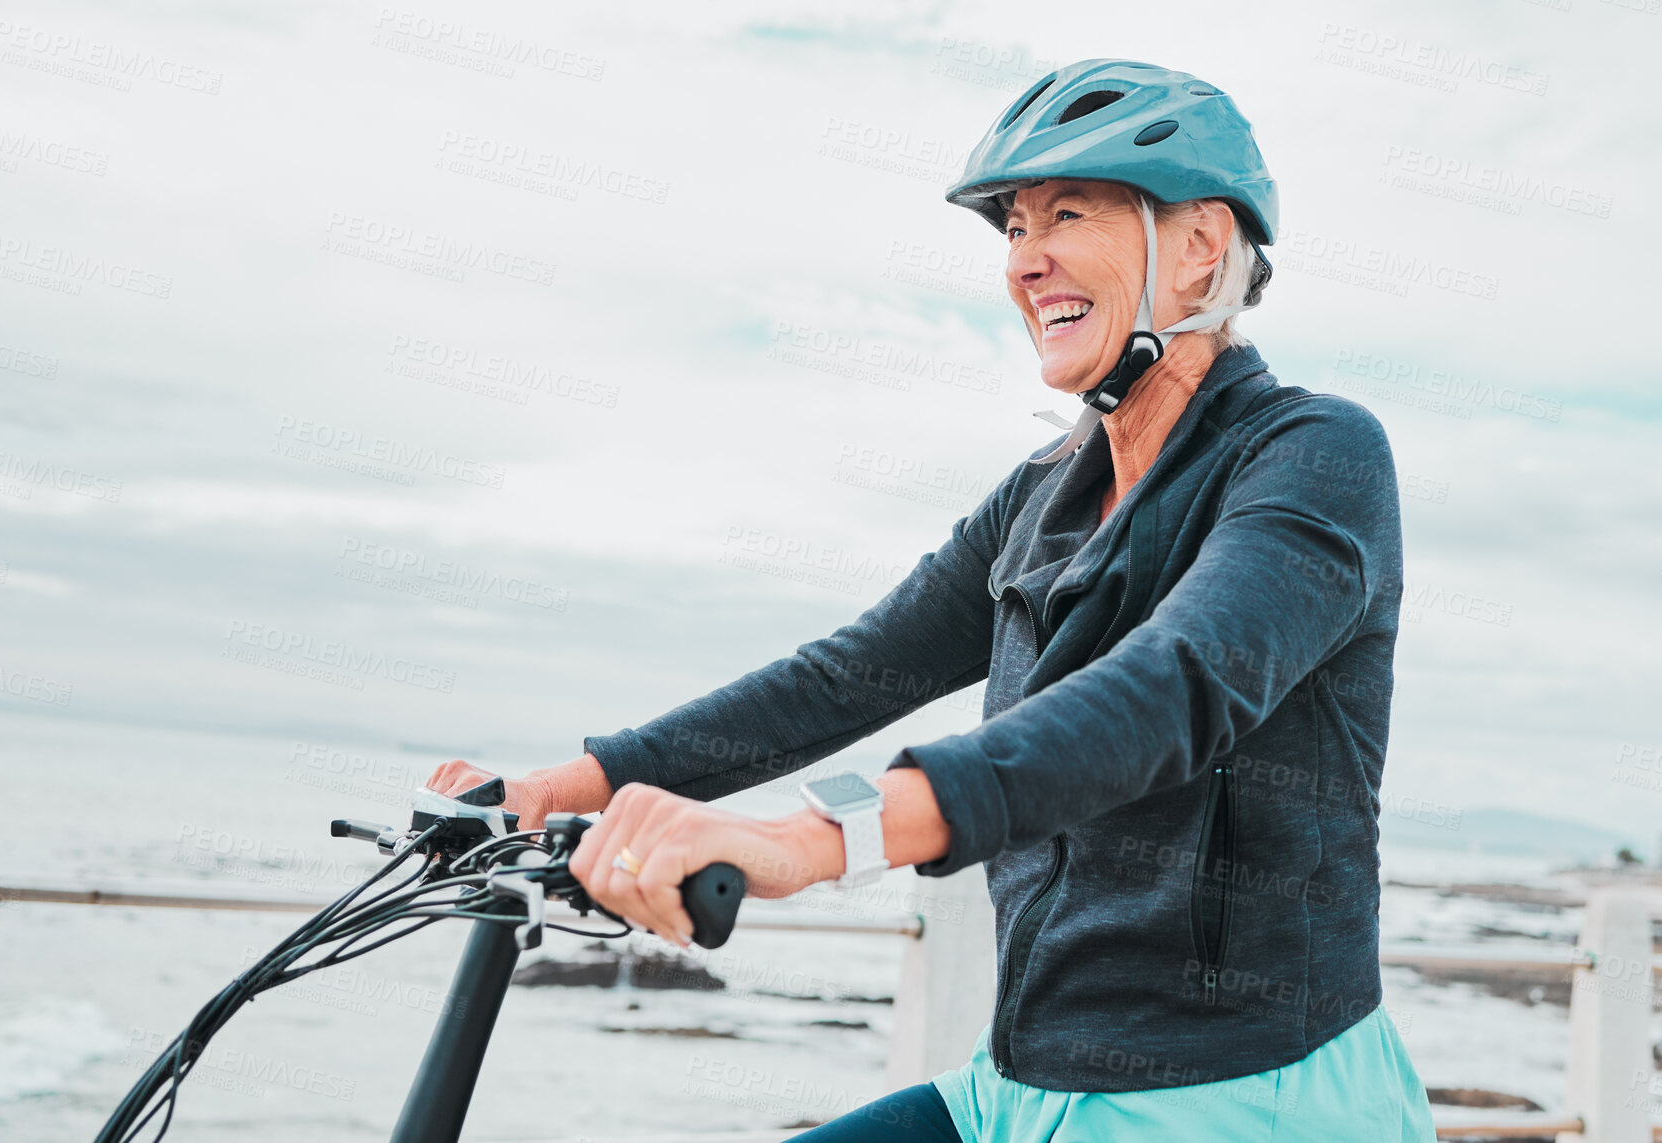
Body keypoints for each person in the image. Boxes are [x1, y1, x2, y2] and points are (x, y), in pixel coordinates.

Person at [428, 58, 1437, 1141]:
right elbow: (846, 676)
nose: (1029, 259)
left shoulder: (1314, 456)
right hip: (1022, 1080)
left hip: (1238, 1101)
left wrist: (815, 841)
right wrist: (551, 786)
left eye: (1069, 214)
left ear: (1198, 248)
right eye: (1013, 227)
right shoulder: (1046, 493)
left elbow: (1171, 691)